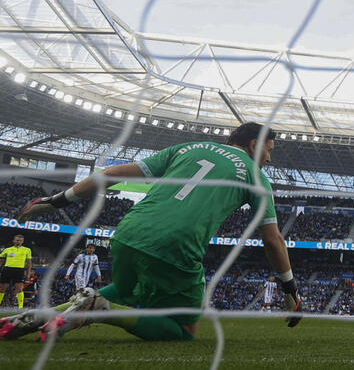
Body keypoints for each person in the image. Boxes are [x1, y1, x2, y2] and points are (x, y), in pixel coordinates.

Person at [0, 122, 303, 342]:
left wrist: (56, 201)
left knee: (128, 289)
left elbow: (109, 174)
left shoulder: (188, 148)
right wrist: (290, 290)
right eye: (269, 150)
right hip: (177, 246)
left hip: (129, 231)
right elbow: (272, 239)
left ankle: (34, 318)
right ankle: (100, 308)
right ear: (254, 144)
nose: (269, 158)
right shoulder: (256, 176)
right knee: (184, 331)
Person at [0, 235, 32, 309]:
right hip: (7, 269)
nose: (18, 242)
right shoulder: (7, 250)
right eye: (17, 240)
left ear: (22, 242)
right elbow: (0, 261)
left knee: (19, 289)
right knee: (2, 289)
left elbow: (29, 263)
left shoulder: (27, 250)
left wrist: (28, 273)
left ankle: (20, 308)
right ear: (13, 240)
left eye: (20, 240)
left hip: (19, 270)